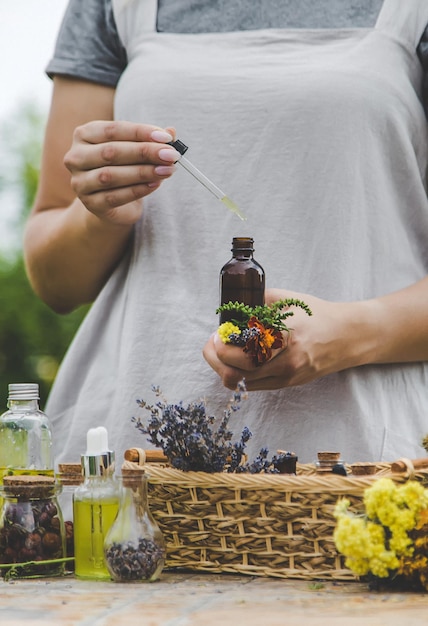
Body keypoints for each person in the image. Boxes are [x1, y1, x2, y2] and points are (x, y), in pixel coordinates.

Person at [24, 0, 428, 467]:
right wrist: (102, 206)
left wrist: (348, 333)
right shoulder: (112, 8)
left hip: (358, 463)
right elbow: (55, 283)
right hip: (138, 453)